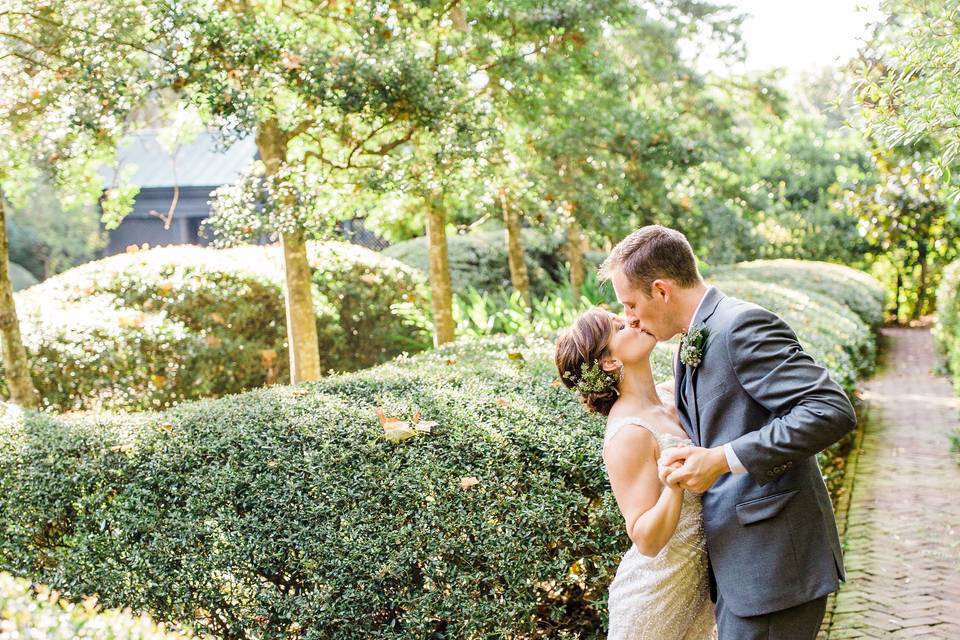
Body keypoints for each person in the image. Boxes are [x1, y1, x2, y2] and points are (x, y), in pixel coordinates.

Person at [597, 224, 857, 640]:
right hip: (738, 568)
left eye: (629, 305)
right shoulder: (689, 342)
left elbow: (829, 409)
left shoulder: (739, 326)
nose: (629, 318)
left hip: (772, 567)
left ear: (661, 291)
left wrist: (722, 460)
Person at [556, 307, 716, 639]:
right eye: (618, 326)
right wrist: (673, 488)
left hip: (700, 590)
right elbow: (645, 538)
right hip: (654, 598)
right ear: (609, 361)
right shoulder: (629, 433)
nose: (632, 320)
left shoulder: (672, 395)